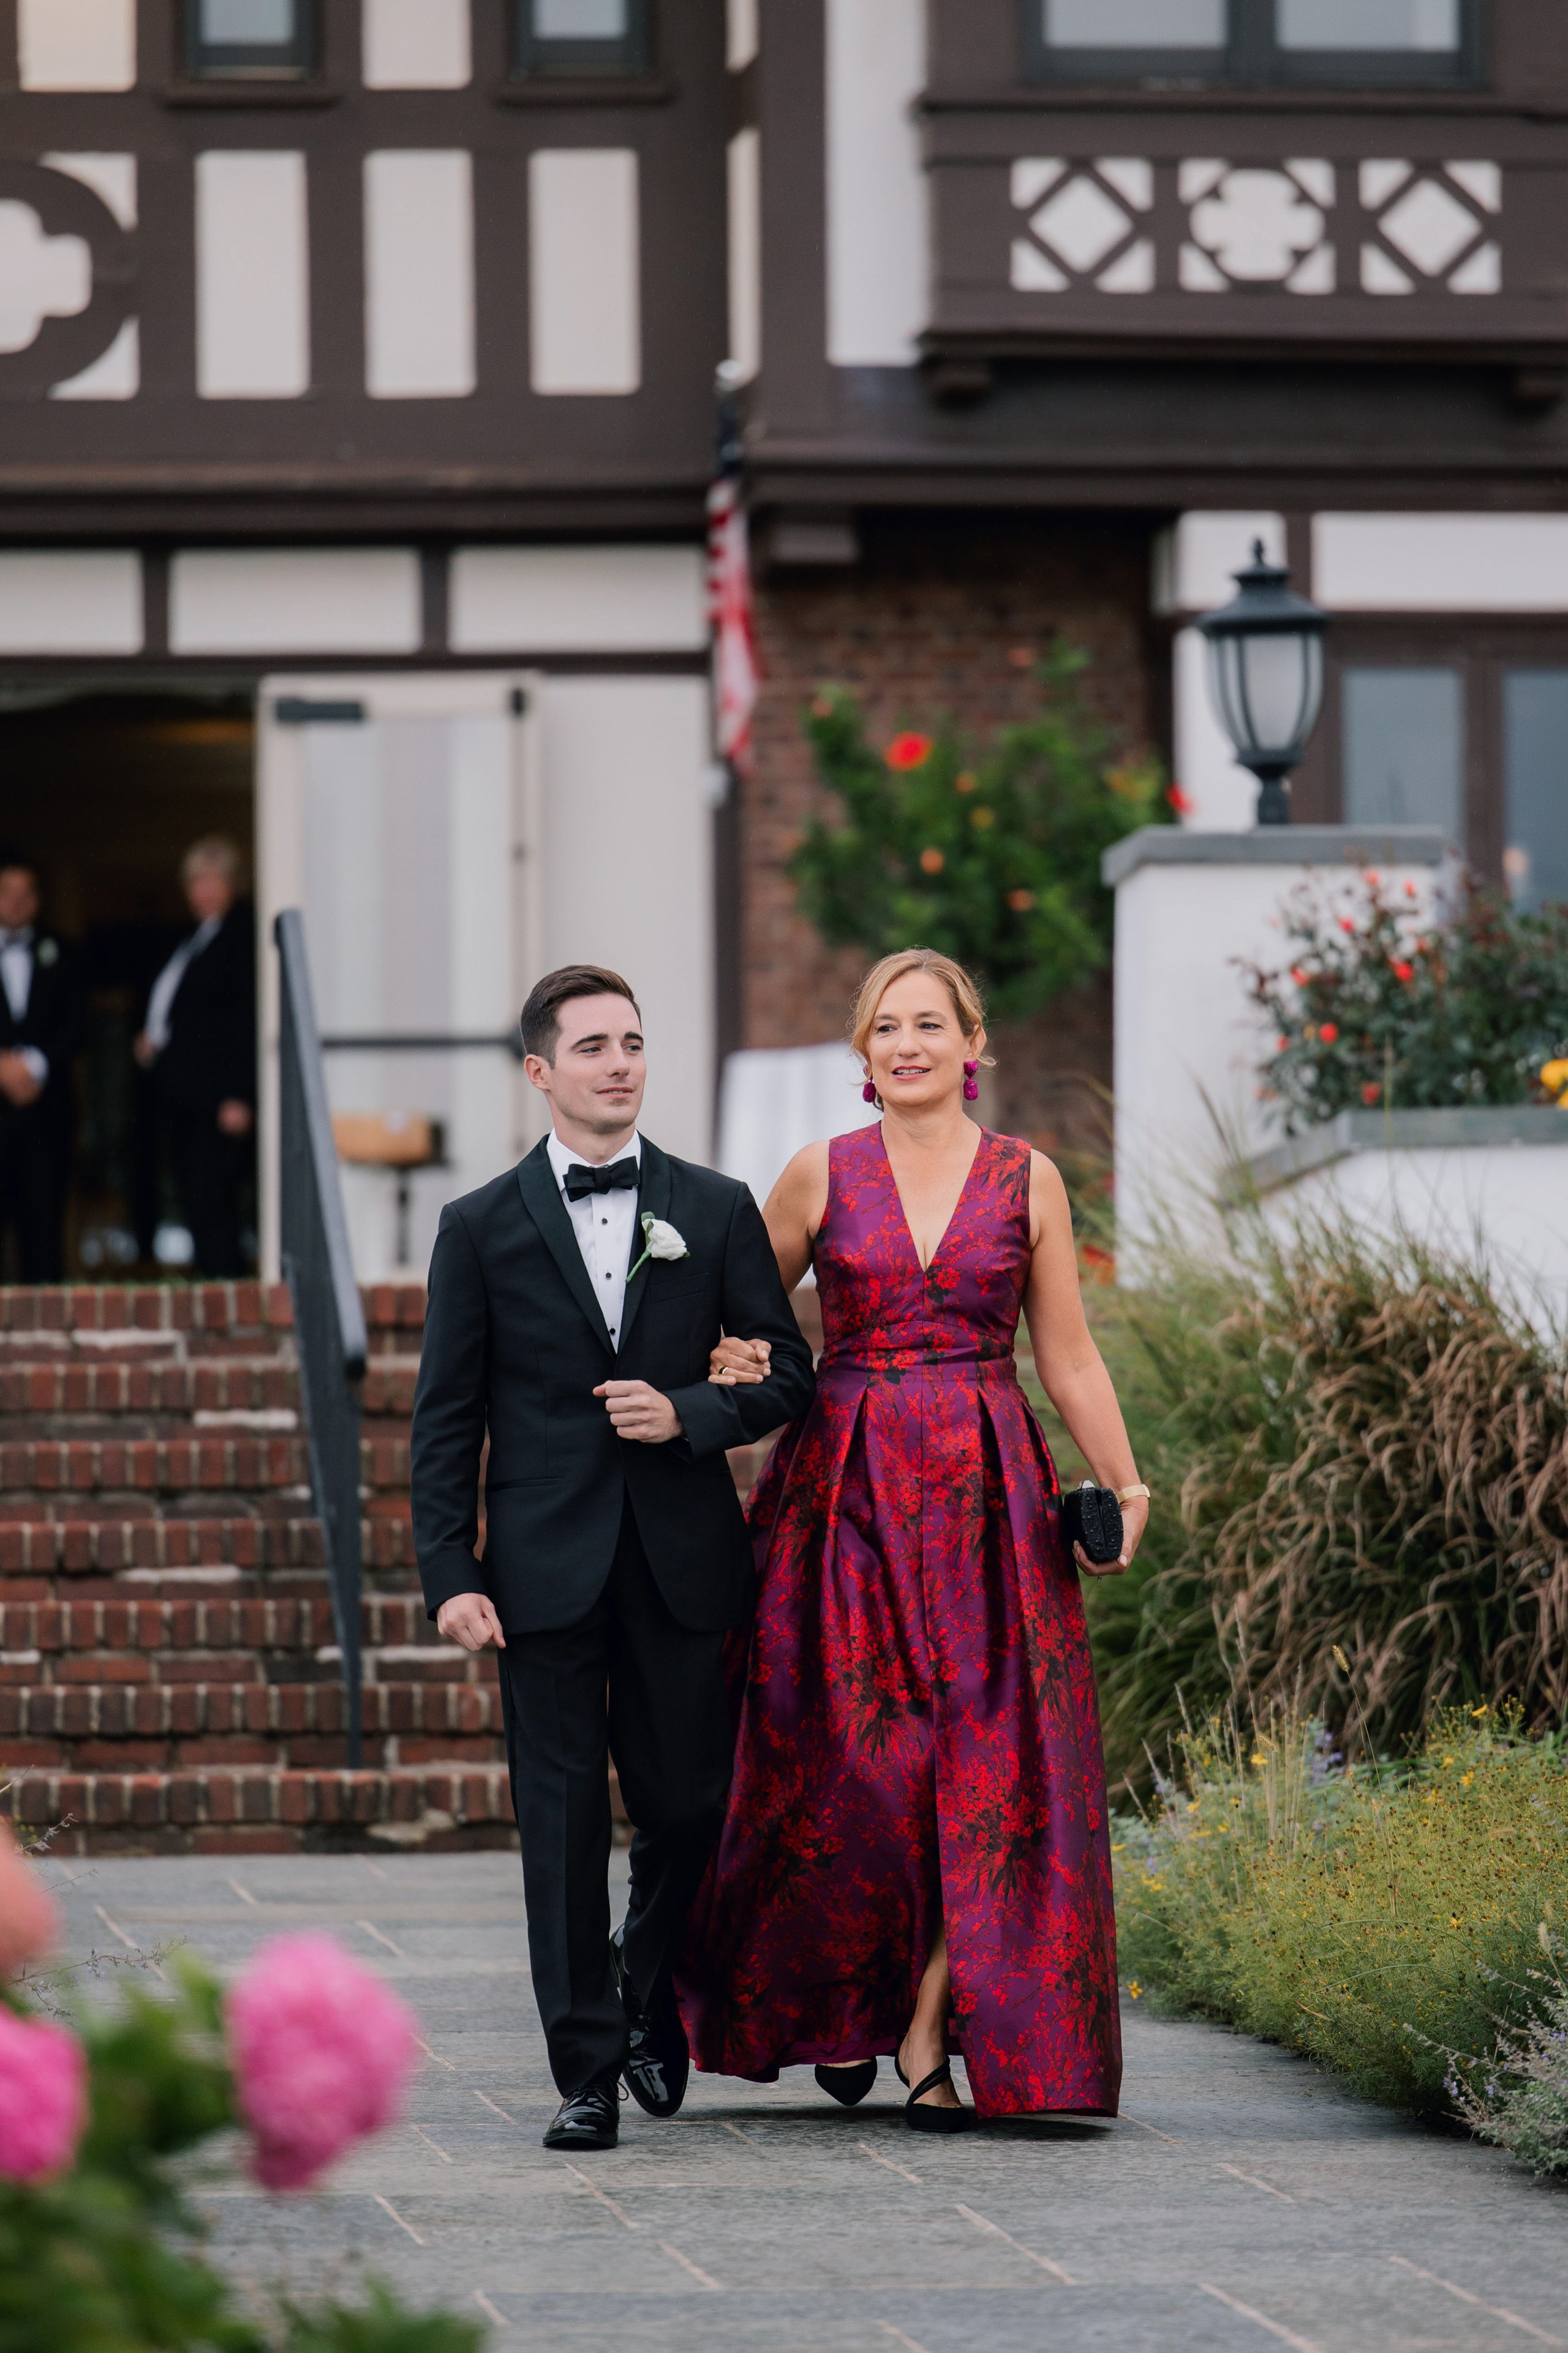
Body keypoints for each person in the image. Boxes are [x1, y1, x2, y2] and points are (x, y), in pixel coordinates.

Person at [679, 948, 1148, 2130]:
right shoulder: (817, 1174)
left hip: (995, 1500)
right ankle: (853, 2009)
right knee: (858, 1771)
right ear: (864, 1053)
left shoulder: (1026, 1178)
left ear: (972, 1045)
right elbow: (737, 1320)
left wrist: (1123, 1483)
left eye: (930, 1024)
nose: (907, 1044)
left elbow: (1070, 1354)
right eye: (886, 1027)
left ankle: (928, 2027)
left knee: (992, 1771)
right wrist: (727, 1360)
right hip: (845, 1498)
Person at [410, 964, 815, 2153]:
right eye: (591, 1046)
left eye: (631, 1041)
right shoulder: (476, 1227)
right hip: (537, 1568)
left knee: (688, 1807)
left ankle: (646, 1979)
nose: (618, 1063)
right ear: (541, 1072)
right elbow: (446, 1416)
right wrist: (452, 1573)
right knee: (560, 1823)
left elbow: (785, 1372)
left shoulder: (716, 1204)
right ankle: (584, 2068)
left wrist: (689, 1412)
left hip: (682, 1558)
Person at [134, 837, 256, 1280]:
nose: (203, 891)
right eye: (196, 882)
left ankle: (228, 1299)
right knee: (195, 1199)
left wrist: (239, 1094)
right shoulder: (195, 938)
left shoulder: (239, 935)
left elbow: (246, 1020)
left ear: (233, 884)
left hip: (217, 1099)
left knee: (215, 1201)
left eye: (213, 880)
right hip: (186, 1095)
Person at [0, 850, 85, 1283]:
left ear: (37, 900)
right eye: (6, 891)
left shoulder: (64, 953)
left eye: (24, 892)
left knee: (44, 1232)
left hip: (45, 1115)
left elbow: (78, 1024)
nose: (15, 902)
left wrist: (33, 1065)